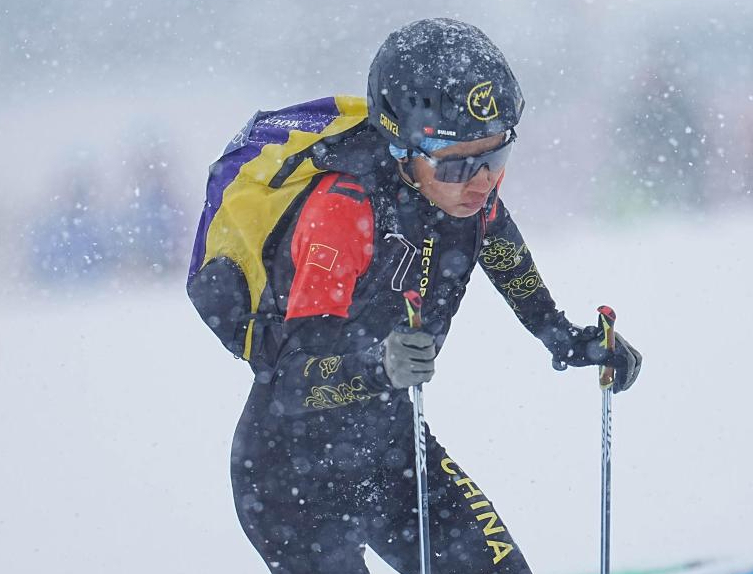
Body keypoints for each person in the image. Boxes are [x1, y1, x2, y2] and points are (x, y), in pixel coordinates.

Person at [187, 18, 642, 574]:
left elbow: (513, 271)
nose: (481, 182)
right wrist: (378, 367)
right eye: (458, 163)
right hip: (291, 481)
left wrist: (571, 340)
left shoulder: (467, 201)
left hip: (394, 454)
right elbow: (291, 381)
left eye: (496, 158)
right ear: (402, 148)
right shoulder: (343, 210)